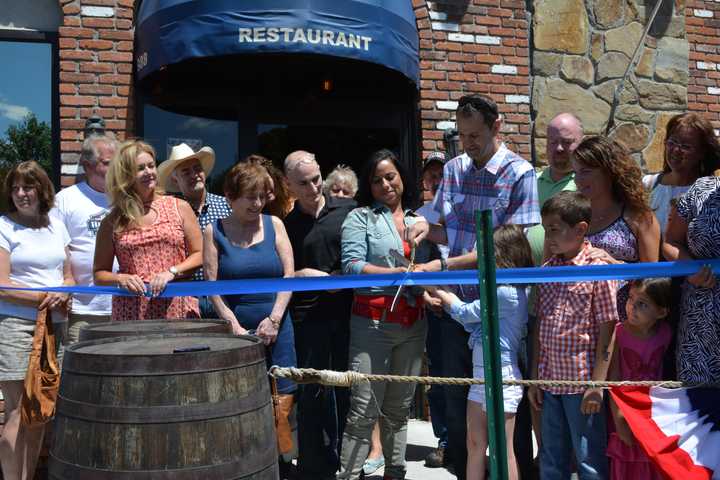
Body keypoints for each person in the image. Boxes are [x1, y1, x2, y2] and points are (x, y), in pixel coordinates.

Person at [407, 94, 540, 479]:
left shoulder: (520, 173)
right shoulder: (453, 169)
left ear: (497, 126)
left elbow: (508, 247)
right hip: (452, 307)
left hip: (498, 312)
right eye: (463, 136)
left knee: (506, 414)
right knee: (456, 402)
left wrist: (443, 265)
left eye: (476, 135)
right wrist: (424, 228)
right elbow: (448, 231)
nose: (468, 143)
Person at [338, 149, 431, 480]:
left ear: (402, 177)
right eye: (376, 180)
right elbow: (350, 266)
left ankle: (396, 471)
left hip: (413, 324)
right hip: (372, 324)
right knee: (363, 409)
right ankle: (347, 475)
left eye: (390, 176)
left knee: (398, 409)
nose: (385, 184)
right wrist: (392, 275)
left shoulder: (417, 220)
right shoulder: (359, 217)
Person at [425, 224, 533, 480]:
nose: (480, 260)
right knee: (474, 444)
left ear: (505, 256)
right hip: (479, 376)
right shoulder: (499, 289)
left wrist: (439, 288)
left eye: (487, 254)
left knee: (503, 450)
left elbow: (465, 314)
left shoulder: (507, 292)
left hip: (502, 377)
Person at [528, 190, 618, 479]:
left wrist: (597, 384)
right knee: (551, 456)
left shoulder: (597, 268)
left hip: (581, 384)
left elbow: (608, 329)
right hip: (550, 380)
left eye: (554, 230)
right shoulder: (548, 269)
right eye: (546, 230)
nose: (549, 237)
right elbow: (541, 327)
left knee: (588, 458)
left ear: (580, 229)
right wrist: (535, 379)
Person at [283, 151, 356, 480]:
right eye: (304, 183)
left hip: (347, 314)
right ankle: (313, 466)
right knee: (312, 391)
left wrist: (342, 279)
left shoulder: (349, 211)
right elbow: (281, 273)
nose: (314, 187)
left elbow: (363, 255)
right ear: (289, 186)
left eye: (317, 179)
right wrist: (305, 274)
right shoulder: (287, 226)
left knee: (346, 389)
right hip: (307, 316)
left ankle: (347, 461)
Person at [0, 161, 74, 480]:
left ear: (41, 189)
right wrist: (47, 298)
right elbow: (2, 284)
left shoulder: (57, 225)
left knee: (40, 412)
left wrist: (65, 293)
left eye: (27, 187)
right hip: (17, 326)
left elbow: (69, 276)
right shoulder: (4, 225)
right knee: (16, 411)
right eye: (15, 188)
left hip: (55, 327)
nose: (20, 193)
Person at [202, 159, 297, 395]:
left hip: (278, 327)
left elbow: (289, 275)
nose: (258, 204)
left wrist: (274, 320)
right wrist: (233, 324)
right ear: (230, 197)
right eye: (251, 197)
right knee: (239, 396)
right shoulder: (213, 230)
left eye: (263, 197)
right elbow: (211, 284)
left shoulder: (275, 224)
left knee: (283, 396)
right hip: (236, 332)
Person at [93, 140, 203, 320]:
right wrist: (121, 279)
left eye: (151, 166)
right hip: (131, 313)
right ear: (125, 176)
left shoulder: (179, 206)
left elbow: (200, 254)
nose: (149, 172)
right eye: (141, 168)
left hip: (177, 309)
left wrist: (172, 272)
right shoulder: (112, 221)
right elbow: (99, 274)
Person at [572, 136, 660, 322]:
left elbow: (652, 278)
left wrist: (616, 265)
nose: (578, 180)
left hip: (623, 321)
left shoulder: (639, 217)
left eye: (585, 172)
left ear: (608, 172)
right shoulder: (573, 215)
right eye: (576, 172)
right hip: (577, 322)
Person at [51, 134, 117, 342]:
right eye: (108, 163)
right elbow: (57, 249)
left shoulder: (127, 198)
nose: (115, 168)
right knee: (80, 369)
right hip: (83, 308)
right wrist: (65, 287)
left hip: (125, 305)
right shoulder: (65, 200)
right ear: (88, 166)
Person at [607, 278, 672, 480]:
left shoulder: (666, 333)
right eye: (631, 299)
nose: (631, 307)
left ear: (661, 312)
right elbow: (613, 379)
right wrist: (619, 420)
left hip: (652, 414)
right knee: (626, 462)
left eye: (642, 304)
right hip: (624, 411)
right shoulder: (617, 333)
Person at [156, 142, 231, 316]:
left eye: (197, 169)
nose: (194, 175)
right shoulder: (170, 211)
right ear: (175, 178)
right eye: (186, 172)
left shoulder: (226, 206)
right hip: (186, 297)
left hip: (224, 294)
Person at [664, 175, 720, 384]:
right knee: (699, 403)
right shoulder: (701, 189)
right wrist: (690, 268)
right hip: (700, 321)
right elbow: (670, 242)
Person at [414, 150, 449, 470]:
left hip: (468, 306)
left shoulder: (463, 209)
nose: (436, 179)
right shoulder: (419, 216)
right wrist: (426, 295)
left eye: (442, 173)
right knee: (438, 378)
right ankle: (445, 441)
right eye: (432, 175)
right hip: (436, 309)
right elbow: (413, 264)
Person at [643, 113, 720, 234]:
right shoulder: (648, 185)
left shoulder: (709, 195)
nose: (676, 150)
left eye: (686, 146)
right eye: (672, 142)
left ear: (702, 152)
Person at [527, 112, 582, 265]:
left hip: (564, 280)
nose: (559, 148)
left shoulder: (586, 186)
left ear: (581, 144)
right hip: (523, 276)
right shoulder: (530, 181)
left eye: (566, 142)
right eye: (552, 142)